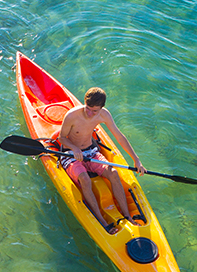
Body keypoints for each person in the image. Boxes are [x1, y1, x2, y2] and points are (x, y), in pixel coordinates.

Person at [55, 86, 146, 233]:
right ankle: (102, 221)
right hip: (70, 154)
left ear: (102, 108)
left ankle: (128, 216)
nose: (90, 113)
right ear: (85, 102)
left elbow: (120, 137)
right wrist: (74, 149)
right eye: (88, 108)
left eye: (94, 111)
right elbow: (61, 139)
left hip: (91, 152)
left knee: (114, 173)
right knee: (85, 179)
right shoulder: (72, 115)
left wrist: (136, 160)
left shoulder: (104, 115)